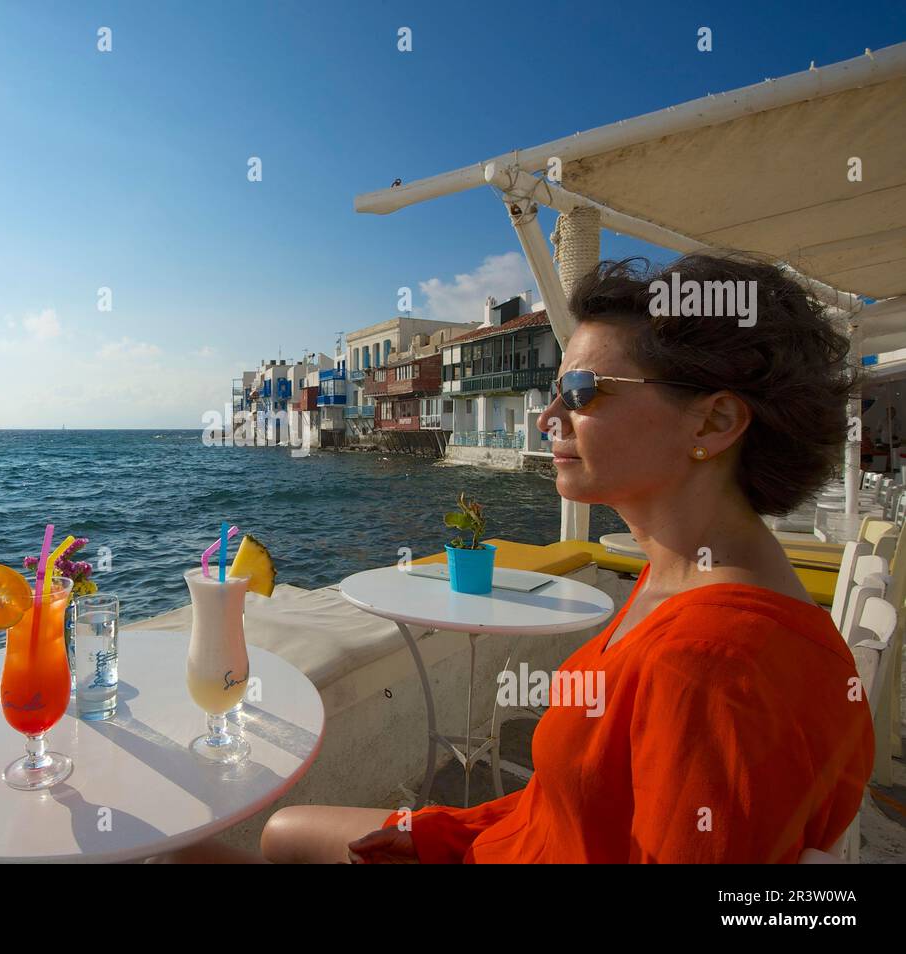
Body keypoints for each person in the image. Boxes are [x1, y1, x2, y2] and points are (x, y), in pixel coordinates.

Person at [150, 254, 876, 864]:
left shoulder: (717, 670)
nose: (547, 416)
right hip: (514, 840)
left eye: (585, 392)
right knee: (280, 831)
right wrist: (458, 831)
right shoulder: (681, 576)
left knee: (180, 853)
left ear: (714, 421)